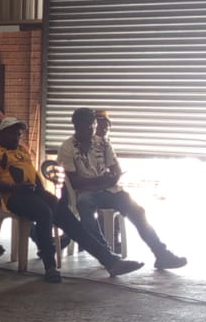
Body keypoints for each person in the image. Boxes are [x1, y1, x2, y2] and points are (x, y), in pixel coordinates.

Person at [0, 116, 142, 283]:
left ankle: (111, 262)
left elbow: (34, 176)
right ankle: (50, 266)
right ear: (2, 133)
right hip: (13, 197)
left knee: (70, 219)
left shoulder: (22, 151)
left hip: (34, 193)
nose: (16, 137)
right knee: (44, 213)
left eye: (19, 134)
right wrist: (15, 187)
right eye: (12, 134)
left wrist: (43, 192)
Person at [58, 108, 186, 270]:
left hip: (110, 190)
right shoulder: (67, 147)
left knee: (137, 210)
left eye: (92, 125)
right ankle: (108, 257)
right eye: (85, 126)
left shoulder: (103, 143)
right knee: (86, 210)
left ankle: (161, 254)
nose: (90, 129)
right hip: (85, 193)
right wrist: (102, 181)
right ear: (76, 126)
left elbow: (116, 171)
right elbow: (75, 182)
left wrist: (101, 183)